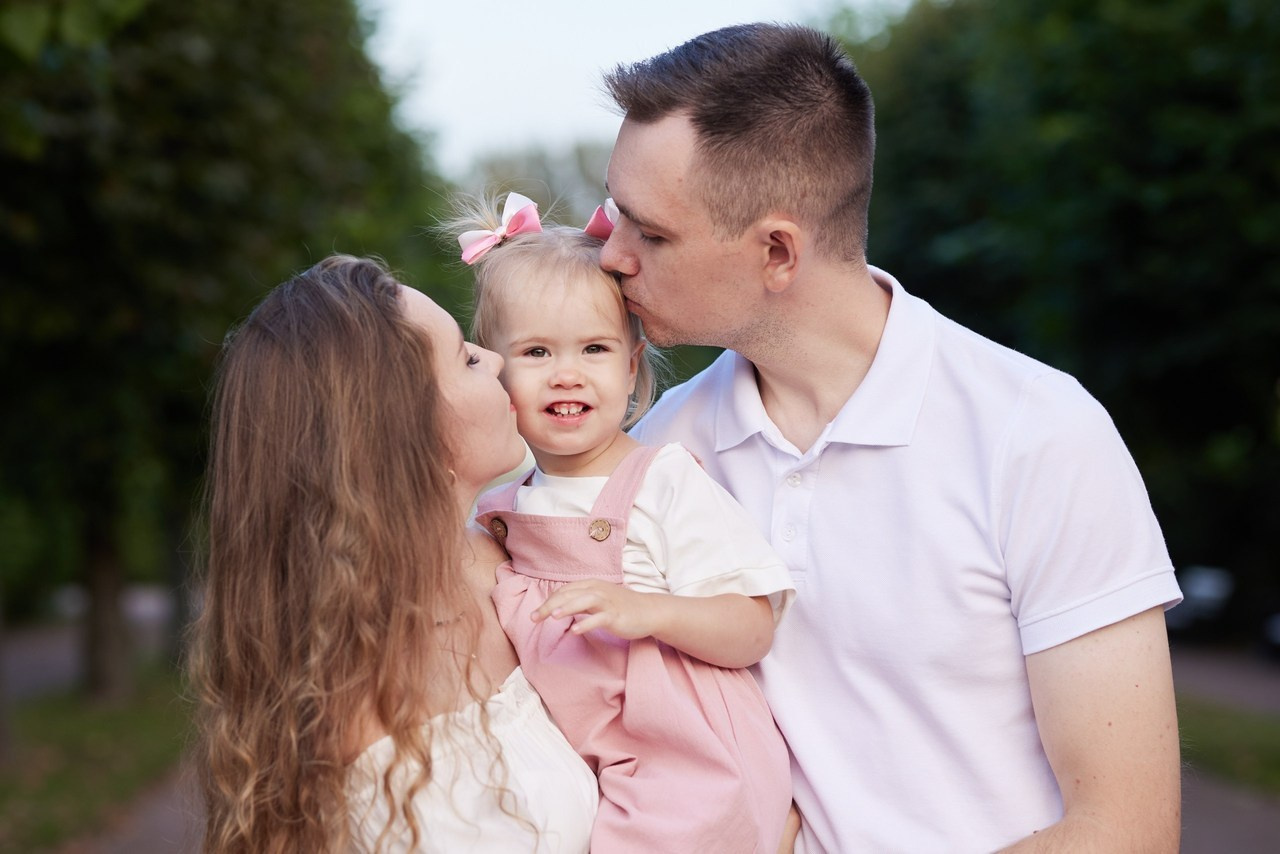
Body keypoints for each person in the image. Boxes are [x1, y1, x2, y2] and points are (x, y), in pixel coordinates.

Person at [599, 23, 1185, 853]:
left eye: (649, 233)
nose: (610, 258)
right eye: (612, 216)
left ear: (777, 251)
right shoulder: (658, 454)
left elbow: (1125, 831)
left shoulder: (1039, 435)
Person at [189, 255, 597, 853]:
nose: (498, 360)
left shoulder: (520, 565)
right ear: (405, 428)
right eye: (464, 356)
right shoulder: (339, 707)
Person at [446, 192, 798, 852]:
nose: (567, 375)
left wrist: (649, 611)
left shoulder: (660, 482)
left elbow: (752, 626)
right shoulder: (508, 512)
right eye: (536, 354)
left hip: (692, 766)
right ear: (495, 372)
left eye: (595, 349)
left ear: (632, 367)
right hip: (601, 765)